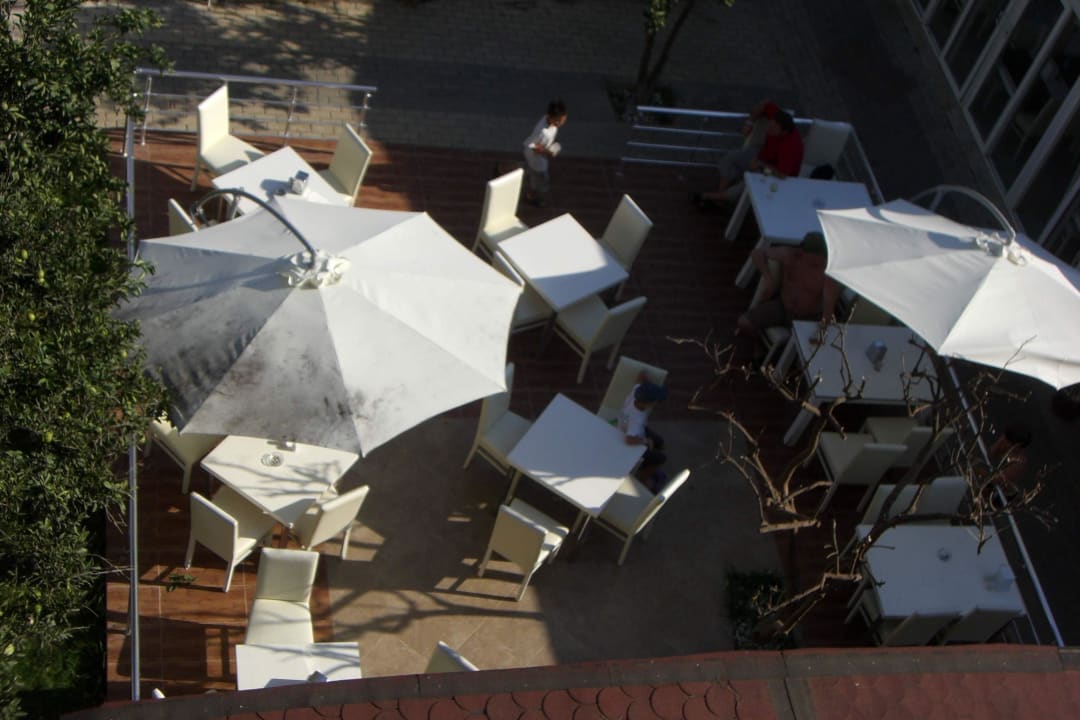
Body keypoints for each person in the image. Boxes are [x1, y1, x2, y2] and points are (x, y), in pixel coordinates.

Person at [736, 232, 838, 355]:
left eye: (818, 259)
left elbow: (828, 311)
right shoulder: (791, 255)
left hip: (806, 319)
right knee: (744, 322)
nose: (815, 261)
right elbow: (756, 253)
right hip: (782, 307)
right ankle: (758, 343)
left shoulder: (828, 275)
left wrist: (820, 333)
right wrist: (769, 278)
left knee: (806, 350)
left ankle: (783, 357)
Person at [694, 108, 805, 209]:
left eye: (773, 128)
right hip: (761, 156)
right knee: (730, 158)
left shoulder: (790, 146)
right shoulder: (776, 117)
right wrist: (749, 123)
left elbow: (782, 175)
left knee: (746, 185)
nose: (769, 129)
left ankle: (709, 196)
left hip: (774, 173)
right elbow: (764, 104)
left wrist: (761, 165)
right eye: (770, 125)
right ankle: (720, 196)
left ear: (784, 132)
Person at [618, 380, 668, 492]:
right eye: (655, 401)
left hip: (625, 425)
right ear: (647, 403)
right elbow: (628, 440)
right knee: (660, 458)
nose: (656, 403)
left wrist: (647, 383)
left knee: (659, 442)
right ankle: (644, 477)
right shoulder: (637, 420)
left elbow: (641, 377)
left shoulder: (636, 390)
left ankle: (648, 462)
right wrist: (645, 441)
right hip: (631, 438)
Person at [522, 100, 568, 207]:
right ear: (553, 118)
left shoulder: (547, 120)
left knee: (532, 175)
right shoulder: (543, 132)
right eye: (560, 121)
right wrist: (550, 152)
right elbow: (535, 147)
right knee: (540, 181)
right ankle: (531, 196)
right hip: (537, 161)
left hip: (533, 156)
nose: (562, 123)